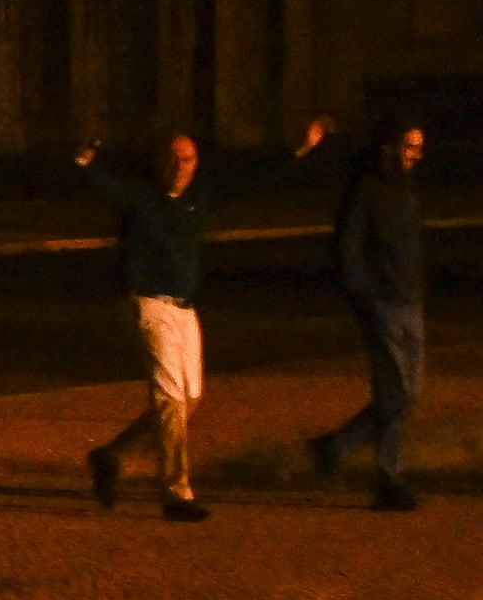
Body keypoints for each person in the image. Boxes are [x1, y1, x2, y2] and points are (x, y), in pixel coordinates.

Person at [74, 114, 330, 520]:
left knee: (189, 399)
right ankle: (177, 493)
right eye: (175, 159)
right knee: (170, 397)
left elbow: (253, 180)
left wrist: (300, 149)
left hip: (185, 308)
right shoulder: (140, 196)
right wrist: (84, 158)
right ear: (159, 161)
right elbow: (101, 184)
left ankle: (112, 454)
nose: (182, 168)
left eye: (190, 160)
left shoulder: (200, 196)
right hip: (148, 304)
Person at [308, 119, 432, 510]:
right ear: (389, 147)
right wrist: (365, 293)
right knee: (396, 391)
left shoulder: (405, 187)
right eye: (409, 147)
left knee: (406, 393)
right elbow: (348, 246)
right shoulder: (367, 188)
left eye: (419, 148)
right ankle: (388, 478)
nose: (415, 155)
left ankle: (336, 447)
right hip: (382, 303)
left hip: (409, 300)